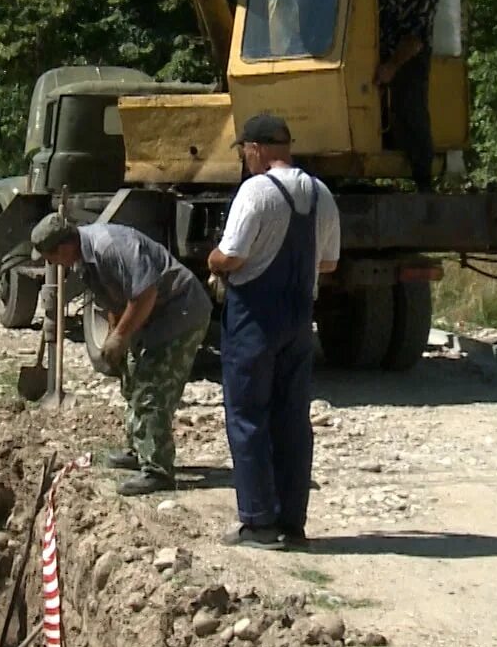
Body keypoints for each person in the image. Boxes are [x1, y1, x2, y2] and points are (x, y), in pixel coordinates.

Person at [207, 114, 341, 549]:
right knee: (292, 420)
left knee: (247, 417)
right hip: (300, 318)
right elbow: (329, 263)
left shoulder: (256, 191)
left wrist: (213, 260)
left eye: (244, 150)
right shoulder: (320, 194)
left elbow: (232, 255)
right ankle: (292, 522)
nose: (245, 158)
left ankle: (258, 521)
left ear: (258, 149)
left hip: (255, 320)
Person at [30, 214, 210, 495]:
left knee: (152, 390)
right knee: (132, 378)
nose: (51, 264)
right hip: (151, 316)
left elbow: (144, 294)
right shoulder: (84, 259)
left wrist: (120, 337)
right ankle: (138, 449)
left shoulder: (110, 247)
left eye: (51, 257)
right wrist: (116, 340)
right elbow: (115, 298)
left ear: (64, 247)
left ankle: (158, 471)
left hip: (180, 312)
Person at [377, 0, 439, 192]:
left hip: (411, 60)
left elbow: (415, 39)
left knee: (412, 111)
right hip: (381, 53)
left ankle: (423, 179)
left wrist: (392, 66)